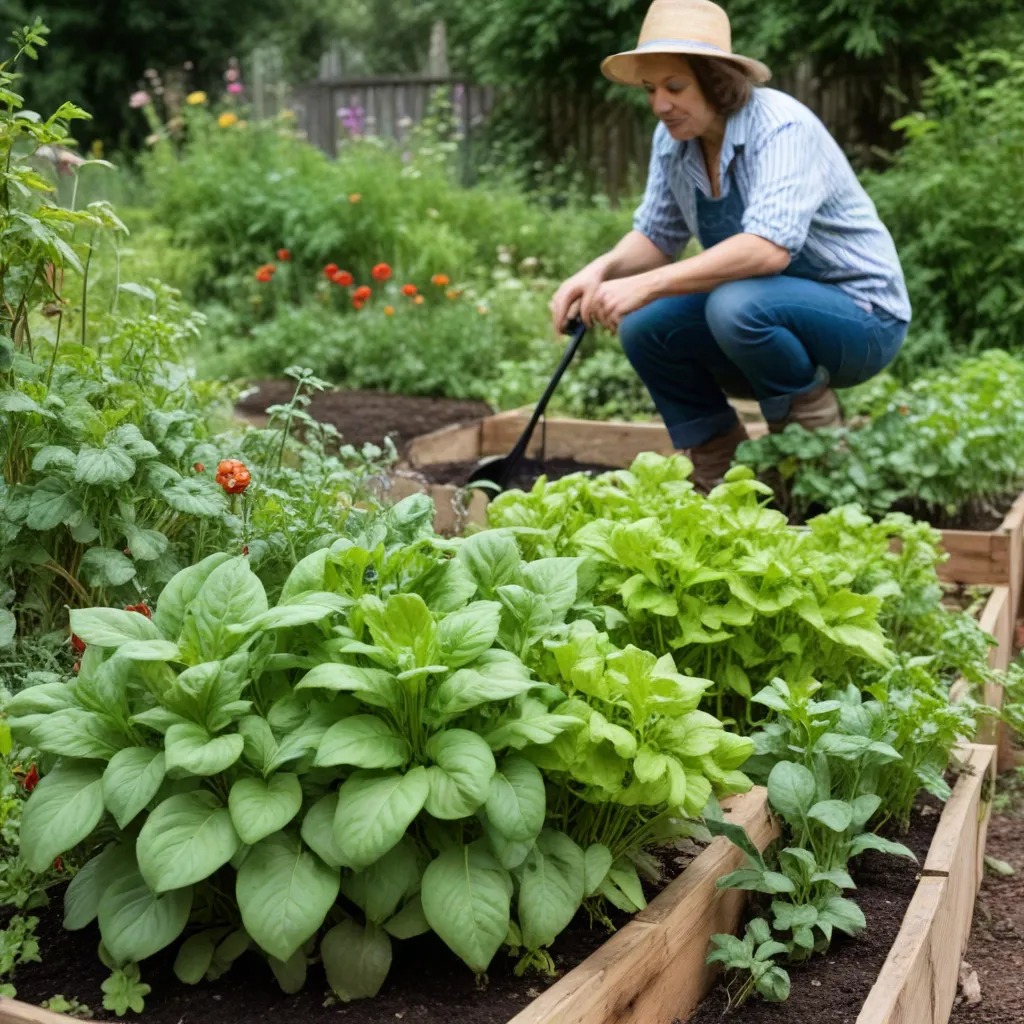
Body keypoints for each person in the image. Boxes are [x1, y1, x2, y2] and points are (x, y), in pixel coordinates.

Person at [550, 0, 910, 490]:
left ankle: (814, 461)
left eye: (675, 87)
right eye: (650, 89)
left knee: (735, 303)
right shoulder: (673, 140)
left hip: (861, 318)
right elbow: (658, 235)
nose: (660, 104)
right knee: (645, 326)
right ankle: (721, 471)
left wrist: (647, 284)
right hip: (764, 316)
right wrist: (600, 270)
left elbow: (767, 250)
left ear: (717, 81)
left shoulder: (781, 126)